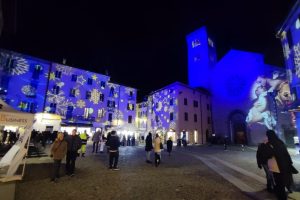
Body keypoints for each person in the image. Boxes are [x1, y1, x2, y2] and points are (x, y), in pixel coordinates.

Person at [265, 130, 295, 200]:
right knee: (283, 181)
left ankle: (282, 197)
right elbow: (286, 153)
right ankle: (284, 194)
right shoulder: (280, 142)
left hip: (276, 167)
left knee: (279, 183)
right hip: (284, 165)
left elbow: (268, 155)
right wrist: (290, 163)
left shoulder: (269, 144)